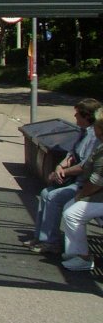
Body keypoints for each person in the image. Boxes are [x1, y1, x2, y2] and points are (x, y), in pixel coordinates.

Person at [24, 98, 101, 254]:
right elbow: (72, 154)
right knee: (46, 193)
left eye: (77, 114)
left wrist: (64, 172)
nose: (75, 117)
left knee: (54, 197)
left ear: (87, 116)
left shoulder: (94, 137)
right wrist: (60, 166)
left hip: (84, 184)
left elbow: (84, 166)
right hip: (75, 180)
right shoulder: (83, 132)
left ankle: (51, 242)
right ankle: (40, 237)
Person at [60, 107, 103, 272]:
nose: (95, 129)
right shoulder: (100, 146)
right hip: (96, 193)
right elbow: (86, 165)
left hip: (97, 194)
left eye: (97, 126)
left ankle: (83, 258)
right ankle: (75, 253)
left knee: (72, 213)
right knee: (68, 207)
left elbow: (97, 182)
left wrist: (81, 195)